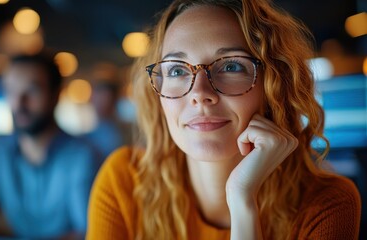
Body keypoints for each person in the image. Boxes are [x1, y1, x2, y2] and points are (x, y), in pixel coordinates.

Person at [86, 0, 361, 240]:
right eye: (177, 70)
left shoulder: (326, 204)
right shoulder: (123, 182)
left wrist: (242, 201)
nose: (200, 94)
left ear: (274, 85)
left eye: (231, 66)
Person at [0, 53, 99, 239]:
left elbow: (88, 233)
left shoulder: (82, 155)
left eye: (32, 91)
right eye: (11, 91)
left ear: (55, 95)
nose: (19, 102)